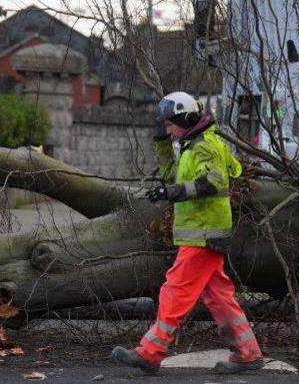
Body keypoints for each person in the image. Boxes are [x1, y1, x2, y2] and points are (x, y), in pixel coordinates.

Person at [111, 92, 264, 375]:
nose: (168, 129)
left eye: (170, 125)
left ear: (185, 118)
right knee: (219, 298)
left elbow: (212, 182)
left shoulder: (205, 146)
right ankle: (249, 352)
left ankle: (151, 352)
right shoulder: (192, 145)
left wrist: (172, 192)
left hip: (203, 235)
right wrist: (162, 145)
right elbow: (173, 178)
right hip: (203, 234)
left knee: (175, 291)